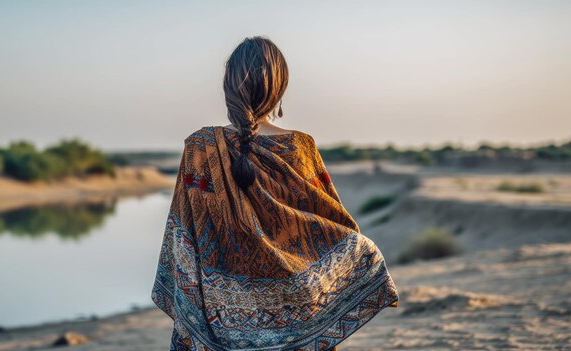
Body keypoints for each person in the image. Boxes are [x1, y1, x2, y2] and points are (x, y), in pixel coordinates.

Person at [152, 35, 398, 351]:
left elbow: (182, 238)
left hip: (219, 318)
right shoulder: (300, 148)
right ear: (279, 89)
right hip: (298, 311)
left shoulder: (200, 148)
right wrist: (360, 251)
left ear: (229, 89)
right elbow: (334, 225)